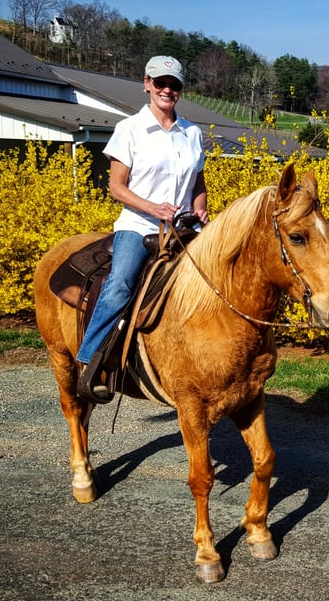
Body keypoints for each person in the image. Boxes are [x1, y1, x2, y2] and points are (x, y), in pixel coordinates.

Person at [76, 56, 208, 401]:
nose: (168, 90)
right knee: (119, 285)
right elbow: (116, 187)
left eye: (174, 85)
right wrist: (153, 208)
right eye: (161, 82)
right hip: (139, 225)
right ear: (147, 82)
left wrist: (200, 208)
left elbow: (198, 181)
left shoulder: (192, 132)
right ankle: (91, 361)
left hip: (182, 229)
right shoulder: (129, 129)